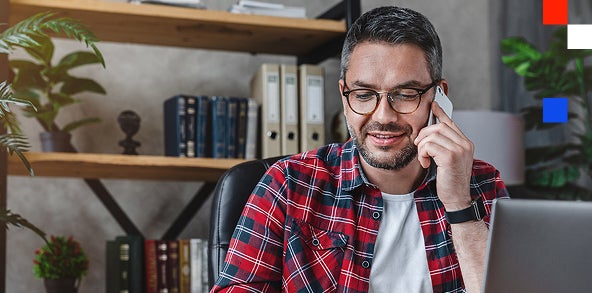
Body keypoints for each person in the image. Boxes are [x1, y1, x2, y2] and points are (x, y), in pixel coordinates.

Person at [211, 6, 509, 293]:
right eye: (364, 94)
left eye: (405, 94)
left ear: (439, 96)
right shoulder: (289, 184)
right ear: (344, 96)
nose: (383, 116)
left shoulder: (481, 184)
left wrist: (460, 205)